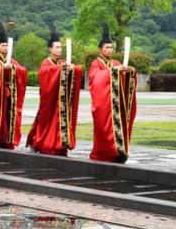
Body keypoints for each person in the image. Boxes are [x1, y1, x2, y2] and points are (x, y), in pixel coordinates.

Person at [27, 23, 82, 155]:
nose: (59, 50)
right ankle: (42, 142)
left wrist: (72, 69)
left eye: (60, 48)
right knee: (45, 120)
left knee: (60, 122)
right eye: (56, 47)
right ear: (50, 49)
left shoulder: (62, 62)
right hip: (49, 99)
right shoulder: (46, 62)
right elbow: (44, 73)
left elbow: (78, 69)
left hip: (60, 101)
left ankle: (58, 144)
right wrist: (61, 69)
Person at [88, 24, 137, 163]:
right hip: (103, 105)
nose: (109, 50)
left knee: (118, 127)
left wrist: (129, 72)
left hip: (116, 105)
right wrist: (115, 71)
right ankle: (103, 153)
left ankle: (118, 151)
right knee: (103, 130)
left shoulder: (115, 62)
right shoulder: (95, 64)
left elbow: (123, 79)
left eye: (111, 48)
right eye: (106, 48)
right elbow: (95, 78)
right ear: (100, 50)